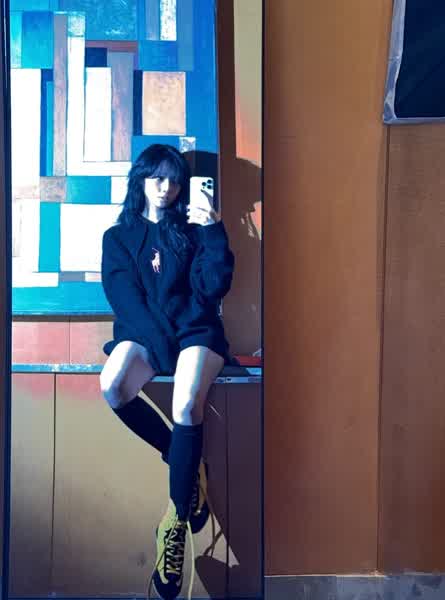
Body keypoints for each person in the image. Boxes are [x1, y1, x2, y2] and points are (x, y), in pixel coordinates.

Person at [99, 143, 237, 600]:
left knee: (185, 402)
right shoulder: (118, 238)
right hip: (146, 333)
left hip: (196, 332)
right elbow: (126, 301)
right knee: (113, 385)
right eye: (158, 177)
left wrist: (213, 231)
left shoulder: (193, 231)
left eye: (175, 180)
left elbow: (213, 288)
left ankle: (175, 520)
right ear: (140, 179)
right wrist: (161, 347)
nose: (167, 187)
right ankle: (184, 463)